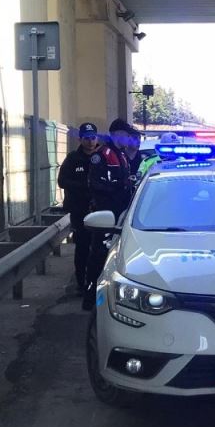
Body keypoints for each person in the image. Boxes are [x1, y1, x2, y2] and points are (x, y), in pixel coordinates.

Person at [83, 119, 133, 310]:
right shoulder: (102, 155)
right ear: (116, 134)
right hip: (105, 215)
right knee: (98, 255)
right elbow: (95, 184)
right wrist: (118, 188)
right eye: (126, 134)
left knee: (112, 257)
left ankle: (108, 297)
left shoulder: (121, 155)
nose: (128, 138)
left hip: (120, 215)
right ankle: (90, 299)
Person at [57, 122, 99, 294]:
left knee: (98, 247)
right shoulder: (73, 158)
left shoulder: (103, 156)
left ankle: (96, 281)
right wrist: (84, 186)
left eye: (92, 138)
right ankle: (81, 283)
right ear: (81, 139)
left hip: (99, 211)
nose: (90, 142)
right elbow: (62, 181)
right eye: (86, 138)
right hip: (79, 210)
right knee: (82, 246)